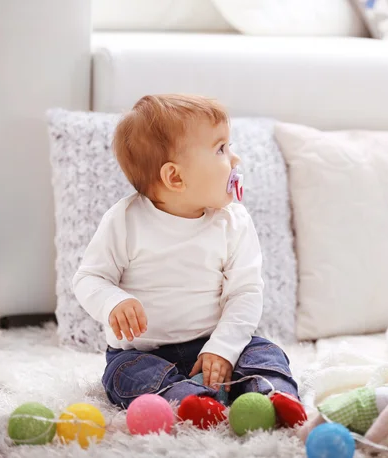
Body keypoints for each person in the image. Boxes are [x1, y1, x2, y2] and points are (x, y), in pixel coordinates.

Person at [73, 94, 304, 428]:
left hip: (212, 341)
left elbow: (245, 293)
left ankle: (273, 395)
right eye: (221, 149)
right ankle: (189, 403)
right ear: (175, 178)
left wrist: (223, 348)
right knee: (124, 376)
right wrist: (113, 302)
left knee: (265, 353)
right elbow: (88, 278)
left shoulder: (233, 222)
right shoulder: (124, 220)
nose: (235, 158)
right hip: (142, 352)